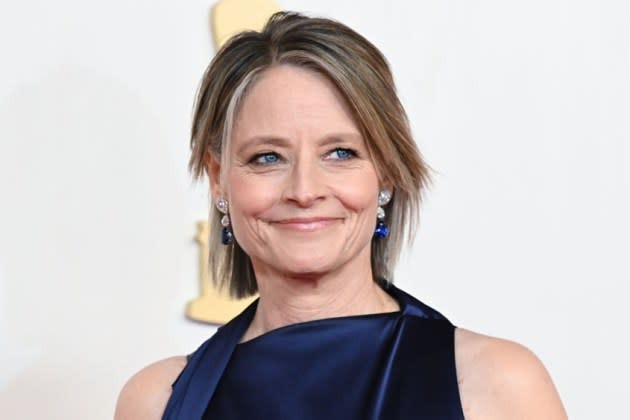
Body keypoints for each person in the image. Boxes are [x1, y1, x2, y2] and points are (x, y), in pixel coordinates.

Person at [115, 11, 567, 419]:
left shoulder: (496, 386)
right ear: (218, 179)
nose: (304, 191)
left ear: (385, 171)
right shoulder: (158, 402)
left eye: (340, 153)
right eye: (267, 157)